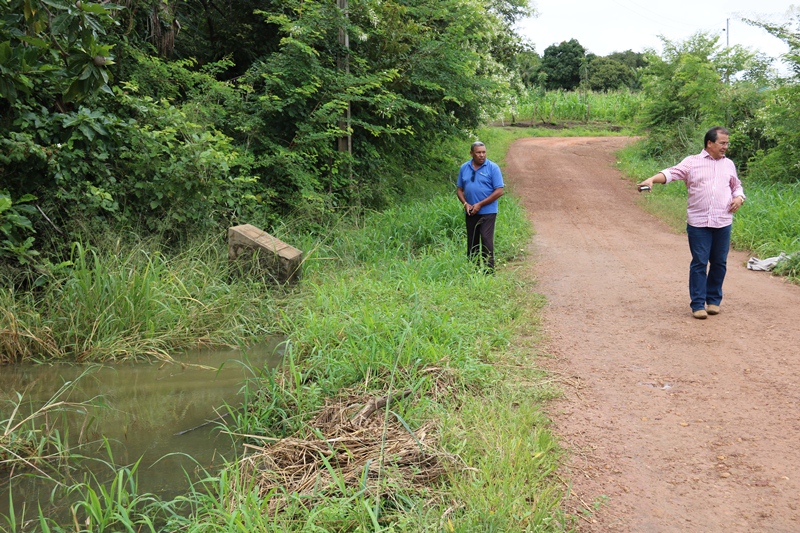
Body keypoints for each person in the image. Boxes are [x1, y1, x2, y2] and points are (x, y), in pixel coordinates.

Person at [637, 126, 746, 319]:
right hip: (698, 223)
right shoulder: (692, 162)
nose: (725, 147)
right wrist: (652, 179)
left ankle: (713, 301)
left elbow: (736, 186)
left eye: (727, 143)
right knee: (700, 262)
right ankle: (697, 304)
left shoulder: (729, 164)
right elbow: (672, 173)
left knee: (719, 262)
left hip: (722, 222)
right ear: (709, 143)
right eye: (722, 143)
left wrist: (739, 198)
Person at [456, 141, 505, 272]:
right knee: (472, 241)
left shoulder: (493, 168)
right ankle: (473, 269)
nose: (482, 155)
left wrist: (480, 204)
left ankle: (489, 271)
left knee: (486, 239)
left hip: (488, 211)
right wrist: (466, 204)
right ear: (471, 153)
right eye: (478, 152)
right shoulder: (464, 168)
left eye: (484, 152)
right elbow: (459, 190)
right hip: (471, 211)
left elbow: (499, 191)